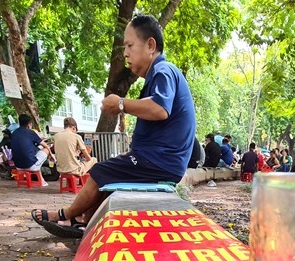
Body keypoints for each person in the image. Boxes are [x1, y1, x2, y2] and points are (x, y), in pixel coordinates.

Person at [30, 14, 196, 236]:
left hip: (159, 161)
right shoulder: (159, 75)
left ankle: (65, 215)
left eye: (130, 45)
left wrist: (120, 103)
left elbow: (159, 109)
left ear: (150, 45)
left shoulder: (162, 70)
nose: (125, 53)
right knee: (110, 180)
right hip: (160, 160)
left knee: (99, 172)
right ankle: (82, 221)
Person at [12, 113, 54, 186]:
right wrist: (51, 155)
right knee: (46, 150)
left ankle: (42, 180)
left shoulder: (14, 133)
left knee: (35, 158)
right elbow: (45, 145)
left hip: (17, 165)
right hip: (30, 165)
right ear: (29, 124)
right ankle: (41, 180)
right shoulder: (31, 132)